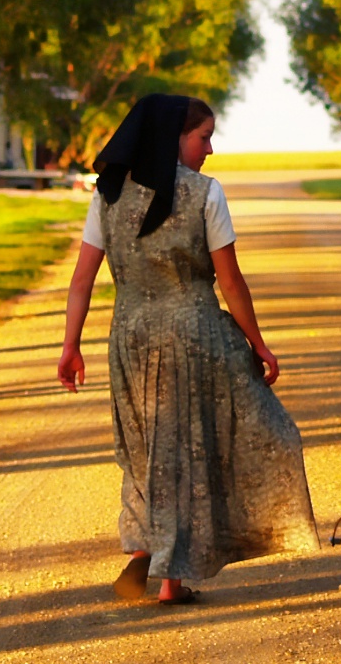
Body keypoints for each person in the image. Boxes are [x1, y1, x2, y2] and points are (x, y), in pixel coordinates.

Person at [58, 94, 317, 602]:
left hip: (128, 334)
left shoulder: (107, 195)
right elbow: (231, 281)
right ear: (174, 137)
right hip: (194, 335)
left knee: (147, 446)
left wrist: (71, 345)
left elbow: (81, 281)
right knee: (207, 444)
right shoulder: (203, 194)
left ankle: (150, 561)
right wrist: (258, 344)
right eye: (203, 137)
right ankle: (162, 570)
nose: (211, 149)